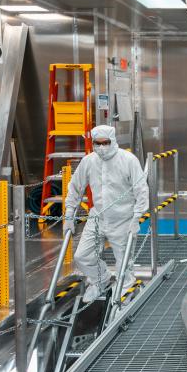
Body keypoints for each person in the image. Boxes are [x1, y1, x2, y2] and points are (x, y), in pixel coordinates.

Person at [64, 125, 149, 303]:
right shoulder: (89, 161)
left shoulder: (128, 160)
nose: (102, 147)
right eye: (98, 143)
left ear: (113, 141)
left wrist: (136, 218)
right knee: (82, 256)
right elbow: (75, 187)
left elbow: (141, 190)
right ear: (93, 143)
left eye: (106, 143)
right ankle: (100, 281)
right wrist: (69, 214)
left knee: (123, 263)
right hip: (97, 218)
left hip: (123, 219)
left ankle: (124, 294)